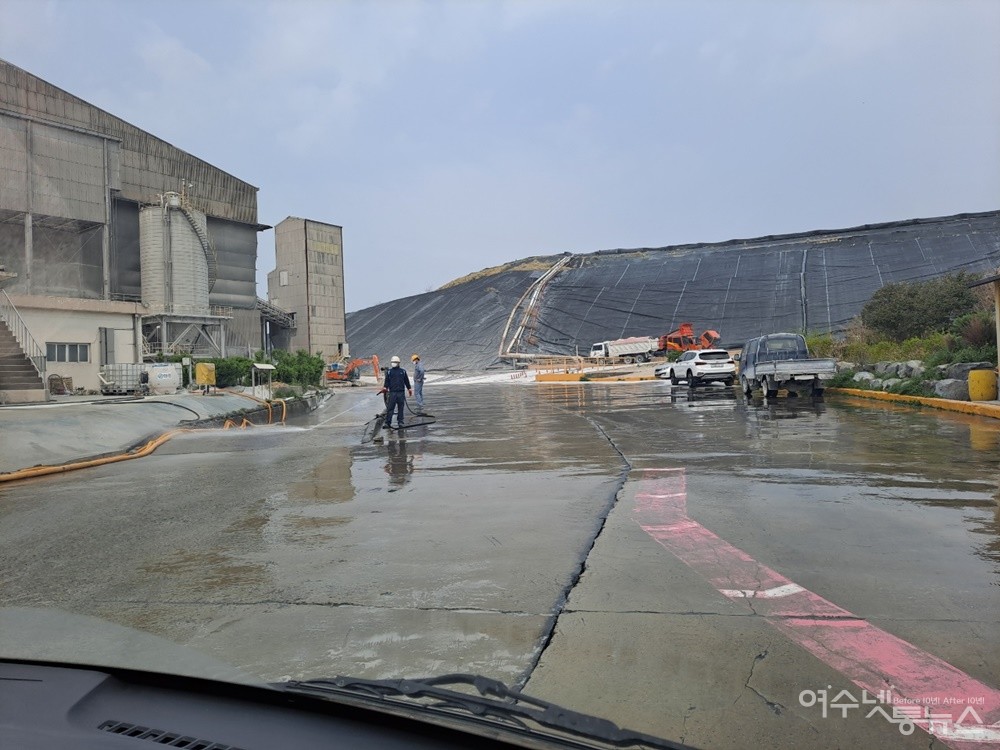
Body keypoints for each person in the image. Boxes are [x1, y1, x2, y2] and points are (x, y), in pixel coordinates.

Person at [379, 355, 412, 429]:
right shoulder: (389, 372)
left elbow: (406, 381)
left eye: (395, 362)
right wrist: (385, 388)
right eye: (392, 362)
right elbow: (386, 381)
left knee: (401, 408)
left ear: (398, 363)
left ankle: (400, 422)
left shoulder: (403, 371)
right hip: (392, 392)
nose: (393, 363)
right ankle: (388, 423)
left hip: (401, 392)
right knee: (390, 408)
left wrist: (409, 389)